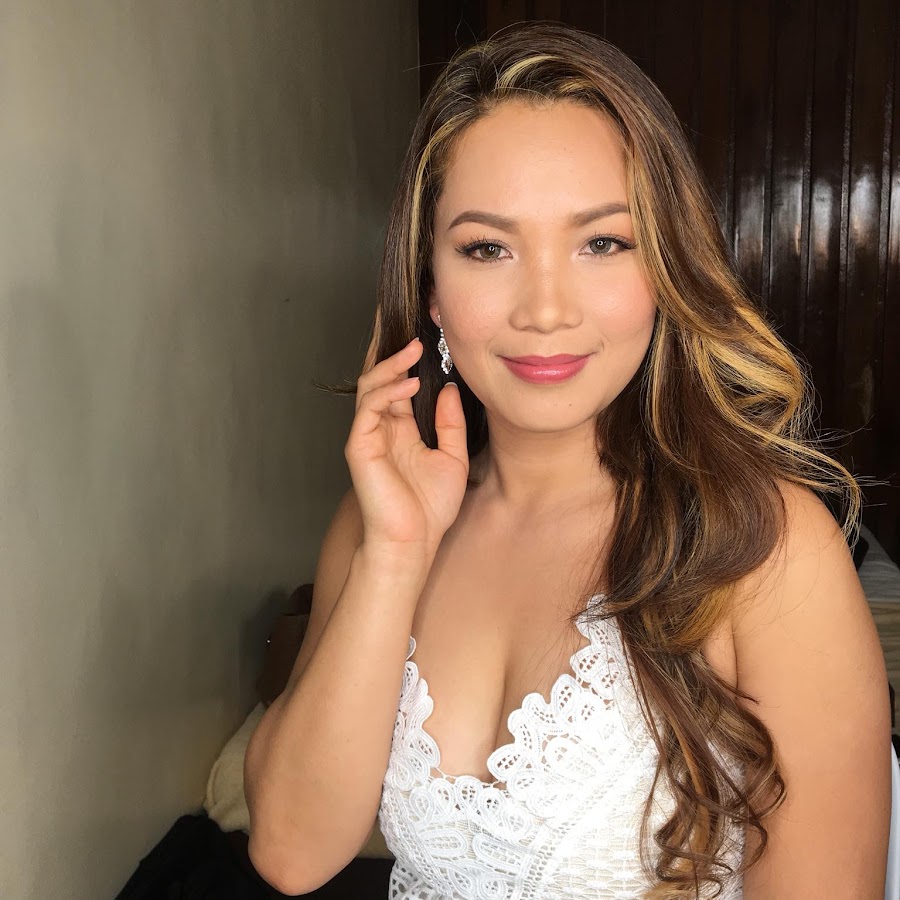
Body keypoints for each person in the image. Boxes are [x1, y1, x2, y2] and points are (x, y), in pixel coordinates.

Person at [243, 21, 891, 900]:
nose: (545, 310)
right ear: (431, 286)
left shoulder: (765, 548)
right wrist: (394, 555)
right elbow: (291, 852)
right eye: (487, 248)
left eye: (602, 243)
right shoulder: (380, 519)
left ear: (664, 267)